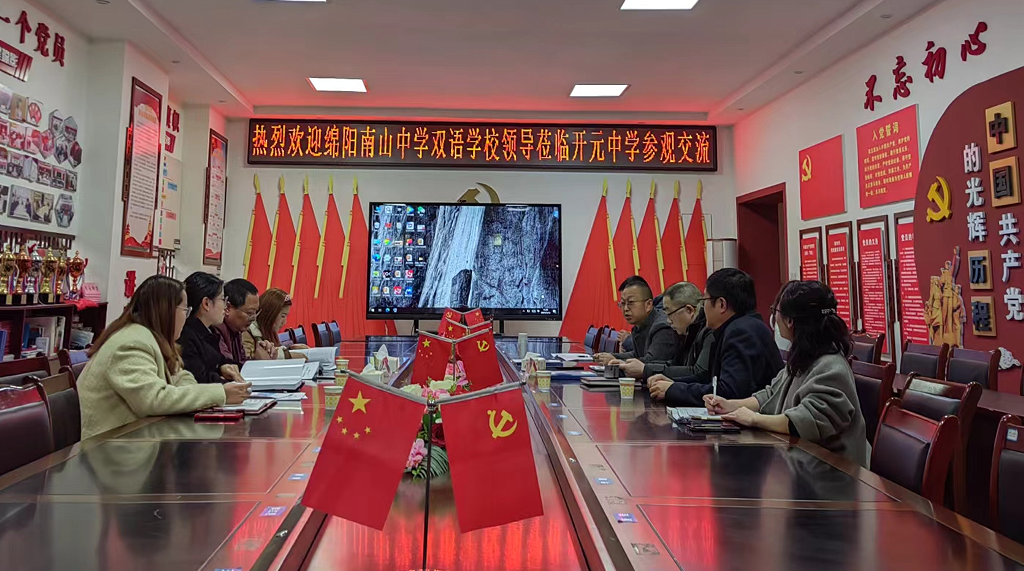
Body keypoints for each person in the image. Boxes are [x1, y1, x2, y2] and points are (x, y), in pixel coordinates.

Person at [705, 281, 867, 466]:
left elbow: (805, 422)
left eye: (776, 310)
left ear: (790, 321)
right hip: (802, 463)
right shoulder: (805, 357)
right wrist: (730, 405)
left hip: (831, 472)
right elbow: (771, 394)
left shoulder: (831, 367)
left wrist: (754, 419)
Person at [77, 275, 251, 439]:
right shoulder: (131, 344)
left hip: (139, 438)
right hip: (111, 447)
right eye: (185, 310)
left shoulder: (153, 338)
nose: (186, 317)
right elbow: (153, 399)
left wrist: (196, 394)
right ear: (167, 311)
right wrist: (219, 393)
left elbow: (179, 376)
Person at [651, 268, 782, 405]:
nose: (703, 307)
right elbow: (710, 379)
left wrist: (673, 390)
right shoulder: (737, 327)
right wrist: (673, 384)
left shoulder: (741, 332)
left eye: (705, 300)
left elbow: (728, 392)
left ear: (721, 304)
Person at [635, 283, 715, 400]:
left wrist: (646, 370)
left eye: (670, 314)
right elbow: (676, 364)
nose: (668, 321)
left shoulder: (708, 331)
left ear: (689, 310)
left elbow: (699, 373)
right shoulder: (685, 331)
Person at [593, 276, 678, 366]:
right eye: (623, 303)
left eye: (631, 303)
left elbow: (651, 363)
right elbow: (636, 355)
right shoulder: (639, 325)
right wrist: (612, 356)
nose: (625, 309)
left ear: (648, 305)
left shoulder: (662, 327)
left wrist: (617, 361)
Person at [179, 272, 244, 383]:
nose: (225, 306)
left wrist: (223, 366)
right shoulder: (186, 336)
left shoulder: (209, 330)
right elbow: (199, 378)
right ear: (206, 303)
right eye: (223, 300)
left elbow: (220, 360)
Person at [213, 278, 274, 363]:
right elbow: (229, 366)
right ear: (228, 308)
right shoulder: (217, 329)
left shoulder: (236, 330)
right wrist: (258, 362)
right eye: (250, 313)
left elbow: (241, 361)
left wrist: (259, 357)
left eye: (256, 312)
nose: (254, 318)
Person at [243, 288, 308, 359]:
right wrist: (287, 355)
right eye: (283, 316)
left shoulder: (267, 331)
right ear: (270, 314)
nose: (284, 322)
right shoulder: (247, 334)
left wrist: (289, 349)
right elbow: (246, 361)